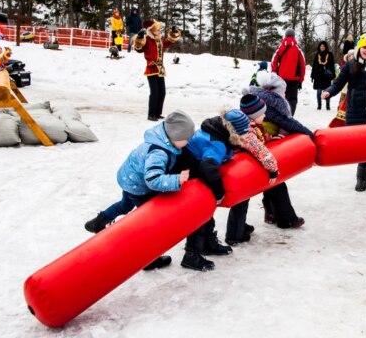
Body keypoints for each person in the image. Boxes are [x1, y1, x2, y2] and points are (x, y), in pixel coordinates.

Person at [84, 110, 196, 271]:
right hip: (139, 187)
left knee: (125, 205)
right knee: (150, 223)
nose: (188, 142)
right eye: (186, 139)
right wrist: (176, 179)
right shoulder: (159, 153)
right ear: (175, 138)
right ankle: (148, 260)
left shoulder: (160, 139)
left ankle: (98, 222)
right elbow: (152, 180)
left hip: (129, 179)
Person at [321, 31, 366, 192]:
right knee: (357, 144)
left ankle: (361, 178)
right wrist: (328, 91)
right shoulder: (350, 65)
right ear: (359, 48)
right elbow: (338, 83)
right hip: (355, 110)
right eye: (365, 47)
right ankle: (359, 168)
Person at [178, 109, 249, 271]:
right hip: (188, 176)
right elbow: (207, 167)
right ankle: (191, 255)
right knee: (200, 214)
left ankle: (207, 243)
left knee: (206, 213)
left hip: (191, 172)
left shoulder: (216, 128)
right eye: (244, 133)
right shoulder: (217, 144)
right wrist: (219, 193)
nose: (247, 136)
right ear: (235, 132)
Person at [248, 71, 310, 227]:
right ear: (275, 91)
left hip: (265, 142)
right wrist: (311, 135)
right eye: (283, 91)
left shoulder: (261, 99)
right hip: (261, 144)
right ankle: (286, 219)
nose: (285, 94)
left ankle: (270, 213)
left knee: (271, 179)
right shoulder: (270, 104)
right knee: (277, 179)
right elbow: (289, 123)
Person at [225, 94, 280, 245]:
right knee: (241, 202)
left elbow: (258, 139)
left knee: (242, 200)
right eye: (262, 114)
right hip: (240, 170)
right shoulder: (247, 133)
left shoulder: (244, 125)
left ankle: (239, 226)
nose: (265, 116)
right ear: (254, 117)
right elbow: (261, 151)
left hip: (238, 169)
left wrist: (268, 138)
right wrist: (273, 170)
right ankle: (235, 235)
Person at [134, 19, 182, 121]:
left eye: (159, 30)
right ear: (151, 30)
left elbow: (169, 41)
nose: (159, 31)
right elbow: (138, 48)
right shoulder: (146, 39)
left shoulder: (159, 40)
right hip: (151, 69)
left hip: (160, 69)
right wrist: (139, 37)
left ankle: (157, 113)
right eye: (157, 30)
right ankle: (151, 114)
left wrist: (173, 32)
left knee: (162, 92)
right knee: (154, 93)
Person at [270, 28, 306, 115]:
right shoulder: (298, 49)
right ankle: (290, 117)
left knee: (280, 97)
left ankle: (280, 116)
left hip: (281, 79)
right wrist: (300, 80)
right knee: (292, 99)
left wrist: (274, 75)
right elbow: (302, 66)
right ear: (294, 36)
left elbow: (273, 62)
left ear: (285, 36)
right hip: (294, 80)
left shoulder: (279, 47)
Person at [328, 49, 355, 128]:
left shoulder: (357, 66)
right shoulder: (344, 66)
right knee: (341, 105)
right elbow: (339, 79)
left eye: (352, 55)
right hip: (344, 89)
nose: (350, 57)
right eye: (349, 56)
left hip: (352, 91)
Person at [310, 41, 336, 111]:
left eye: (323, 46)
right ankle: (319, 105)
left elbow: (332, 66)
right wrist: (312, 75)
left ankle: (327, 105)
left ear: (326, 47)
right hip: (318, 76)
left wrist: (333, 75)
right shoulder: (317, 55)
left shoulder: (330, 54)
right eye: (321, 46)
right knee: (318, 91)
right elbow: (314, 66)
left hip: (326, 76)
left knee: (327, 91)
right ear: (319, 47)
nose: (322, 47)